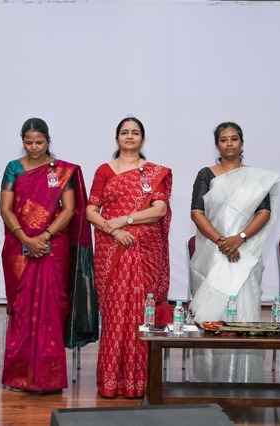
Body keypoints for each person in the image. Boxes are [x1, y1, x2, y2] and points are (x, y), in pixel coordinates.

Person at [0, 118, 98, 393]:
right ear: (23, 142)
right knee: (21, 309)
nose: (34, 147)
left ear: (48, 141)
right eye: (28, 142)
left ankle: (49, 378)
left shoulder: (63, 171)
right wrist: (25, 238)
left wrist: (43, 237)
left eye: (39, 142)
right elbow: (6, 209)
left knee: (53, 309)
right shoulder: (13, 168)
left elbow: (69, 209)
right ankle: (19, 377)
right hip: (19, 247)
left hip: (53, 248)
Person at [188, 122, 280, 383]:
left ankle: (244, 379)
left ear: (242, 142)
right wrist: (221, 241)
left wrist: (239, 239)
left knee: (244, 313)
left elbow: (264, 212)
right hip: (212, 253)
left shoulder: (255, 178)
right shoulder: (206, 174)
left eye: (234, 138)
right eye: (223, 139)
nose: (229, 143)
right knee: (211, 315)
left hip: (244, 254)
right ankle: (208, 380)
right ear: (216, 145)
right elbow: (196, 212)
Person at [86, 116, 172, 398]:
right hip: (112, 248)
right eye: (125, 132)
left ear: (142, 139)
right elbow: (90, 211)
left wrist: (125, 219)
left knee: (141, 313)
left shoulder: (153, 172)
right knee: (114, 314)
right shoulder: (104, 171)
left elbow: (159, 210)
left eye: (135, 132)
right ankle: (111, 380)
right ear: (117, 139)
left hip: (145, 250)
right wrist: (114, 231)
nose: (130, 136)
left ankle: (139, 382)